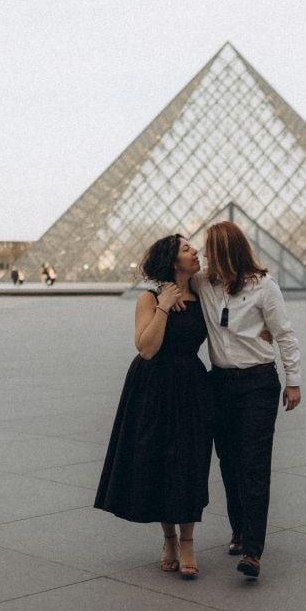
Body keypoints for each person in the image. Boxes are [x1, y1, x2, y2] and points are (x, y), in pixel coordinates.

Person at [94, 234, 211, 578]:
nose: (196, 253)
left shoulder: (204, 294)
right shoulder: (148, 299)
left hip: (191, 384)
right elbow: (146, 348)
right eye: (188, 250)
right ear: (173, 261)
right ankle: (169, 539)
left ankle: (188, 541)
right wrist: (163, 304)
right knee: (163, 459)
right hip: (154, 386)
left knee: (190, 460)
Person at [191, 221, 301, 579]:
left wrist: (293, 381)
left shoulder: (264, 287)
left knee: (254, 465)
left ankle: (253, 550)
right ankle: (239, 530)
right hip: (219, 382)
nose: (204, 254)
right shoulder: (203, 283)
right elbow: (166, 278)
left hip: (258, 384)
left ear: (226, 251)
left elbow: (284, 334)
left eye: (210, 249)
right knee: (228, 462)